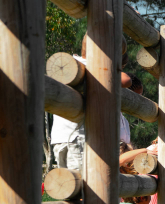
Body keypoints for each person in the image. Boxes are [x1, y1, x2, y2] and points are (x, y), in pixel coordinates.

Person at [51, 34, 141, 169]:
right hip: (77, 138)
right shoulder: (87, 67)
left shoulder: (83, 66)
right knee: (84, 184)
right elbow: (126, 80)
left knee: (76, 183)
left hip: (69, 138)